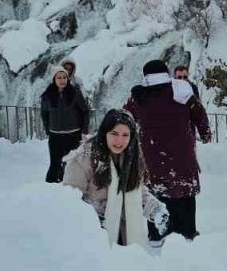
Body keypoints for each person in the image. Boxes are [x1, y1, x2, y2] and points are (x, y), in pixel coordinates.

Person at [125, 60, 212, 240]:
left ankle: (157, 233)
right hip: (181, 152)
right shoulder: (182, 90)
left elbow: (124, 117)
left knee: (156, 193)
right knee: (184, 193)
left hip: (152, 153)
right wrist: (205, 133)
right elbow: (199, 114)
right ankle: (187, 231)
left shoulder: (139, 95)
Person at [63, 109, 172, 250]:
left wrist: (155, 209)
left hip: (124, 234)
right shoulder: (85, 157)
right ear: (104, 132)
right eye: (114, 133)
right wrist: (93, 216)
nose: (119, 140)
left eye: (125, 135)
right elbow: (69, 198)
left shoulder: (131, 158)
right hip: (92, 236)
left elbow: (136, 190)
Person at [40, 66, 90, 183]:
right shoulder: (47, 96)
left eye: (64, 77)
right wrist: (48, 130)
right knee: (55, 164)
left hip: (73, 135)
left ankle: (70, 189)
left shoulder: (75, 93)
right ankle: (49, 190)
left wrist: (84, 131)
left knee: (71, 164)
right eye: (59, 78)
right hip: (55, 136)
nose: (62, 80)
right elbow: (44, 114)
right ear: (54, 79)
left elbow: (85, 112)